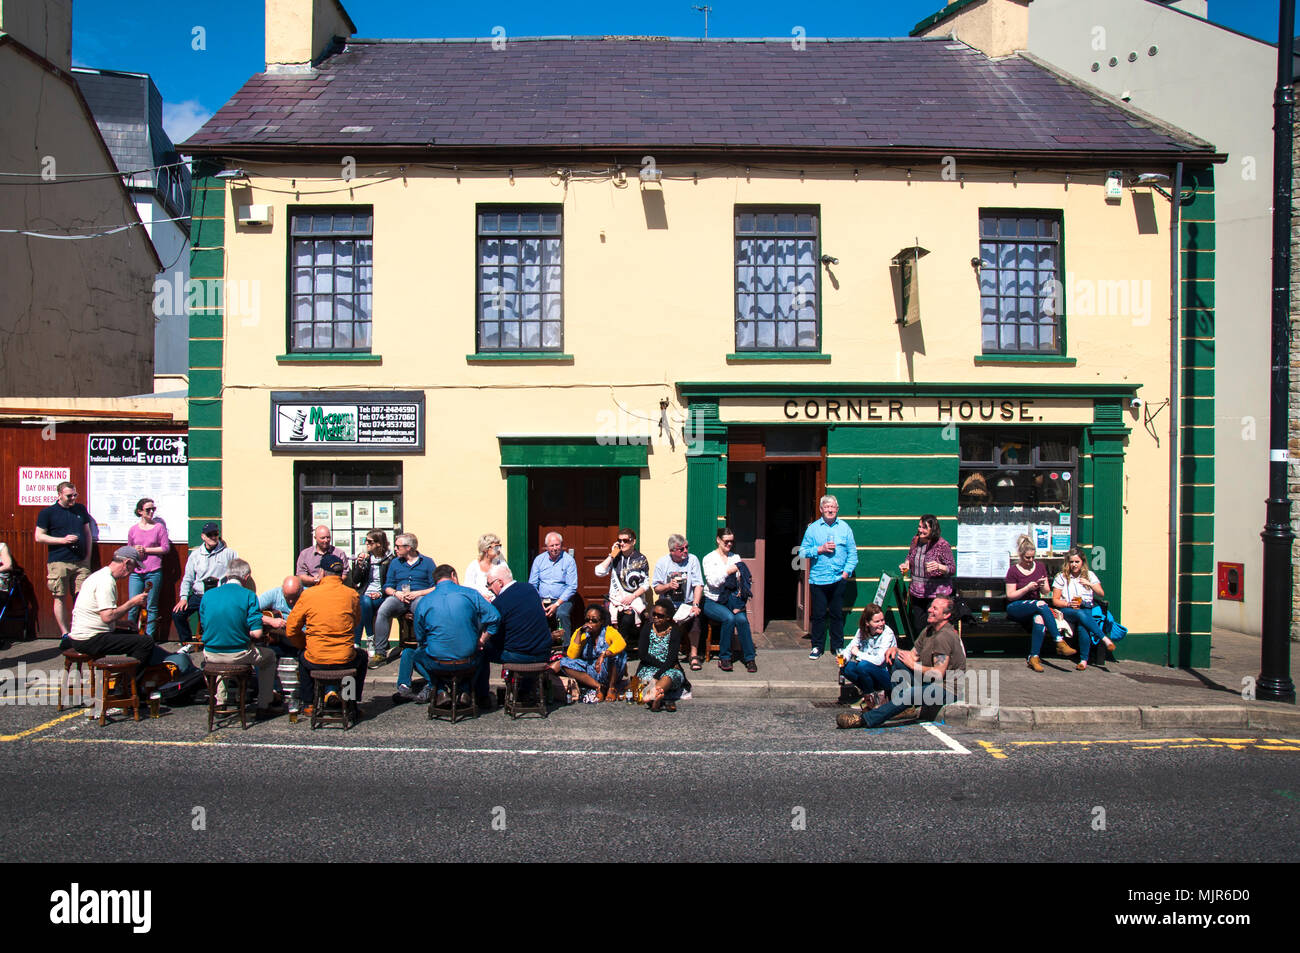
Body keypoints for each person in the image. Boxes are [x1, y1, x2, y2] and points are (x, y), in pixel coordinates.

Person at [836, 596, 966, 730]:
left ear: (946, 615)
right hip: (929, 682)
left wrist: (913, 666)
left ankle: (865, 720)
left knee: (910, 694)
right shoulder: (928, 631)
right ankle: (904, 707)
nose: (929, 610)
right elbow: (912, 655)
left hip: (946, 689)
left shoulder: (944, 637)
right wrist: (895, 649)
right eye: (930, 606)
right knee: (894, 657)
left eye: (935, 608)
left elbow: (938, 673)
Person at [394, 565, 499, 708]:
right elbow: (495, 617)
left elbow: (421, 638)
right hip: (468, 659)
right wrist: (482, 640)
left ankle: (440, 689)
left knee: (417, 654)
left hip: (438, 661)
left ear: (435, 581)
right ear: (453, 575)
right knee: (482, 652)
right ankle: (469, 691)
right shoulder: (470, 594)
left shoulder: (424, 601)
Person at [284, 553, 365, 721]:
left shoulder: (309, 595)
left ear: (321, 572)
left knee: (302, 656)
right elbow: (356, 622)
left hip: (316, 658)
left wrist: (304, 644)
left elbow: (292, 629)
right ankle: (350, 701)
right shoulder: (351, 595)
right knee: (361, 657)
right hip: (344, 658)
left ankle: (309, 703)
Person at [197, 558, 279, 718]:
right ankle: (264, 704)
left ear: (227, 574)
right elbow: (257, 634)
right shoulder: (249, 596)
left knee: (221, 653)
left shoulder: (208, 595)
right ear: (246, 577)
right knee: (269, 657)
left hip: (211, 653)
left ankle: (221, 701)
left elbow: (206, 625)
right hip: (238, 654)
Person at [62, 546, 151, 686]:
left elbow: (97, 614)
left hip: (83, 635)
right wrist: (132, 602)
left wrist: (122, 624)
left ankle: (124, 679)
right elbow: (107, 617)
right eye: (133, 566)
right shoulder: (106, 582)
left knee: (134, 634)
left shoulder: (99, 575)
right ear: (126, 563)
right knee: (145, 643)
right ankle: (126, 688)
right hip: (89, 639)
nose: (133, 571)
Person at [478, 564, 556, 703]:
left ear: (500, 582)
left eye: (489, 584)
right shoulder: (530, 589)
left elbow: (496, 637)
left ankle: (482, 696)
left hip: (519, 657)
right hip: (543, 653)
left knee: (481, 650)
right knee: (524, 642)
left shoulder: (499, 603)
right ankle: (524, 691)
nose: (488, 588)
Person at [1005, 534, 1075, 672]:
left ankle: (1034, 656)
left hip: (1035, 607)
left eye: (1033, 557)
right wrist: (1027, 588)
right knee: (1041, 605)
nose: (1031, 560)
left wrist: (1042, 585)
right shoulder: (1013, 570)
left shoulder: (1040, 567)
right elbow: (1010, 595)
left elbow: (1046, 590)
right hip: (1016, 607)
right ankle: (1059, 641)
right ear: (1020, 555)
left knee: (1039, 619)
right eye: (1027, 558)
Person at [800, 494, 858, 659]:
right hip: (818, 579)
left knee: (836, 614)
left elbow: (853, 554)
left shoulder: (845, 528)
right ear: (821, 510)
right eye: (827, 507)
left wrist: (846, 573)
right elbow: (802, 551)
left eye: (833, 507)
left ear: (837, 509)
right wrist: (820, 549)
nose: (830, 510)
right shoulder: (813, 529)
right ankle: (817, 647)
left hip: (838, 579)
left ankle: (837, 646)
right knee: (818, 615)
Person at [33, 481, 93, 637]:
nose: (72, 498)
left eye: (75, 495)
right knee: (59, 597)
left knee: (82, 598)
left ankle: (80, 631)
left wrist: (87, 557)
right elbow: (39, 537)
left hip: (80, 562)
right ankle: (65, 633)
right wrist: (62, 540)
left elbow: (87, 534)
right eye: (69, 496)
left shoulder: (80, 509)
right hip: (59, 561)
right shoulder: (48, 513)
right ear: (59, 495)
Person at [371, 532, 435, 667]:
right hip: (399, 597)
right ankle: (380, 652)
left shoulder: (428, 562)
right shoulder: (395, 563)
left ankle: (424, 648)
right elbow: (387, 586)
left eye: (398, 546)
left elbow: (435, 587)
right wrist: (396, 593)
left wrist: (419, 593)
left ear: (409, 547)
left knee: (421, 609)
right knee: (383, 610)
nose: (395, 549)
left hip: (418, 596)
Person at [701, 527, 757, 673]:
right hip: (712, 600)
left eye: (732, 541)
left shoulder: (735, 558)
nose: (729, 544)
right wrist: (728, 571)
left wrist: (740, 603)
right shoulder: (709, 558)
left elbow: (741, 582)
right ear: (718, 540)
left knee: (742, 620)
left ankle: (750, 658)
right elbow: (713, 582)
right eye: (726, 541)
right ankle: (724, 657)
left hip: (731, 601)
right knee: (729, 618)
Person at [172, 521, 238, 642]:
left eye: (215, 534)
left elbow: (236, 574)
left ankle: (216, 642)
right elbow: (188, 578)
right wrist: (184, 597)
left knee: (214, 616)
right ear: (203, 537)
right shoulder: (195, 555)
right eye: (210, 535)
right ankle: (187, 642)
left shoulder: (229, 553)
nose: (213, 537)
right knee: (178, 614)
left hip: (219, 595)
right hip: (200, 595)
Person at [652, 534, 704, 670]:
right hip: (668, 604)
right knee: (657, 619)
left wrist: (696, 604)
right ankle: (661, 654)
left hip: (687, 603)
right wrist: (668, 586)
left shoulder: (692, 560)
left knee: (695, 620)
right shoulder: (662, 562)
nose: (685, 551)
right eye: (681, 549)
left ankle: (693, 655)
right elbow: (657, 588)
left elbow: (698, 585)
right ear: (672, 551)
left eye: (687, 547)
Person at [1052, 547, 1109, 670]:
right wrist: (1068, 604)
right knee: (1080, 615)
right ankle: (1103, 637)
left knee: (1083, 625)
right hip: (1069, 609)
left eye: (1077, 562)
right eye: (1071, 562)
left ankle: (1083, 660)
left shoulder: (1089, 575)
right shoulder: (1062, 577)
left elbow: (1101, 593)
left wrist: (1090, 584)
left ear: (1082, 562)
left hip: (1085, 607)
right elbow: (1055, 600)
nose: (1074, 565)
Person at [899, 514, 956, 639]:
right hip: (917, 592)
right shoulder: (915, 540)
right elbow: (910, 556)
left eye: (925, 528)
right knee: (919, 625)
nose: (921, 530)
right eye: (919, 527)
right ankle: (922, 652)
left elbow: (952, 568)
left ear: (933, 529)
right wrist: (906, 564)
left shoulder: (942, 545)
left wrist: (939, 566)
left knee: (935, 625)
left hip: (936, 594)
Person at [594, 528, 651, 651]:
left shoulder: (641, 559)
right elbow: (599, 572)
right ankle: (607, 646)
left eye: (625, 540)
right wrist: (611, 555)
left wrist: (632, 597)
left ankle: (619, 648)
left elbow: (646, 584)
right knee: (605, 617)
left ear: (633, 541)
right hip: (616, 598)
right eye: (619, 541)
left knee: (626, 619)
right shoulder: (615, 558)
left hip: (633, 598)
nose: (622, 543)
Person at [559, 604, 627, 702]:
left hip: (608, 668)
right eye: (587, 620)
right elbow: (572, 656)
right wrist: (579, 635)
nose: (590, 623)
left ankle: (611, 688)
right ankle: (599, 687)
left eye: (594, 621)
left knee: (617, 655)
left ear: (601, 622)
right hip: (591, 669)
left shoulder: (609, 631)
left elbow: (621, 643)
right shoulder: (581, 632)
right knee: (564, 662)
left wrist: (604, 654)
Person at [126, 497, 170, 640]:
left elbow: (165, 548)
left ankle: (149, 638)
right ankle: (130, 637)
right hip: (136, 572)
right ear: (140, 512)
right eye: (148, 509)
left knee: (151, 606)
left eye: (153, 509)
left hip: (153, 571)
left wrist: (146, 550)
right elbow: (129, 548)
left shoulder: (159, 528)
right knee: (133, 605)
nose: (151, 512)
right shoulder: (133, 529)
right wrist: (135, 549)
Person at [839, 603, 896, 708]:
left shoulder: (888, 634)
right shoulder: (861, 631)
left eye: (882, 620)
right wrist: (842, 659)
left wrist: (858, 653)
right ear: (867, 623)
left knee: (863, 665)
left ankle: (870, 699)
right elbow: (849, 648)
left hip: (887, 675)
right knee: (846, 668)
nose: (881, 624)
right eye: (877, 621)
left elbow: (879, 660)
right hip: (870, 672)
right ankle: (868, 695)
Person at [528, 532, 578, 639]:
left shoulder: (569, 560)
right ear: (546, 547)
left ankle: (565, 647)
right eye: (551, 545)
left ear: (561, 545)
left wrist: (556, 604)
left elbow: (572, 587)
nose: (555, 548)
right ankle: (540, 645)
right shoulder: (539, 560)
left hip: (562, 600)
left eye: (557, 545)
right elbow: (532, 584)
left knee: (562, 614)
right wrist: (538, 601)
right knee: (533, 613)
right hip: (542, 599)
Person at [349, 530, 393, 652]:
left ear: (379, 543)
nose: (366, 543)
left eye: (369, 541)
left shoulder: (389, 560)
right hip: (365, 594)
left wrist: (380, 593)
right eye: (365, 541)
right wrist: (359, 565)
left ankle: (357, 642)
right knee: (365, 602)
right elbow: (355, 580)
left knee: (364, 605)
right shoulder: (366, 558)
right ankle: (370, 638)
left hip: (381, 595)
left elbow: (391, 581)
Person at [636, 602, 685, 712]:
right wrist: (658, 670)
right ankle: (655, 700)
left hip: (668, 668)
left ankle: (651, 697)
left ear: (668, 617)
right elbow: (642, 655)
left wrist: (658, 674)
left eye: (660, 616)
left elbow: (671, 658)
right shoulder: (647, 628)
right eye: (654, 614)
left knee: (668, 677)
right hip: (649, 666)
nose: (656, 617)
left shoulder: (674, 631)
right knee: (647, 677)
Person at [463, 533, 505, 601]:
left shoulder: (501, 564)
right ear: (486, 549)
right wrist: (482, 597)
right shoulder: (474, 566)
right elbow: (468, 589)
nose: (499, 549)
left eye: (500, 546)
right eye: (496, 547)